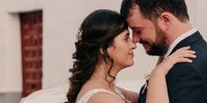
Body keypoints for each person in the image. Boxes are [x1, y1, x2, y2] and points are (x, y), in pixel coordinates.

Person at [120, 0, 207, 103]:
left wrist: (157, 75)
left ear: (165, 20)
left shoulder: (187, 68)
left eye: (138, 30)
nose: (135, 39)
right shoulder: (183, 55)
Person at [67, 9, 195, 103]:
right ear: (104, 49)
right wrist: (158, 73)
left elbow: (145, 98)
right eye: (126, 38)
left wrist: (163, 48)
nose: (133, 44)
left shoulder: (112, 90)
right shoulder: (100, 98)